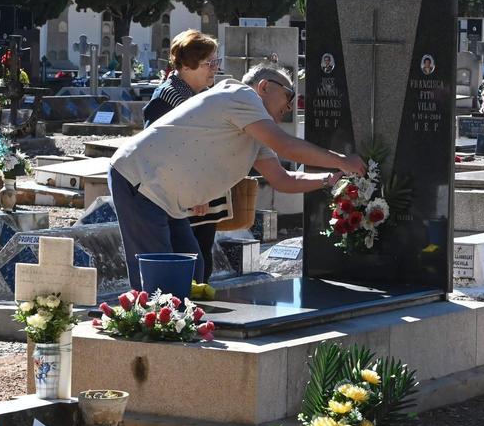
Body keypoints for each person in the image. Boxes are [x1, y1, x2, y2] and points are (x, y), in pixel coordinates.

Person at [109, 63, 365, 290]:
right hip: (140, 180)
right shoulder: (241, 96)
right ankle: (149, 337)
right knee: (161, 282)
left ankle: (175, 334)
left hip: (163, 196)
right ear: (264, 86)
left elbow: (281, 179)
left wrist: (328, 179)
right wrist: (343, 160)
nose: (288, 107)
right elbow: (285, 146)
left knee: (192, 273)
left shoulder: (255, 127)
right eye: (288, 96)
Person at [141, 29, 223, 284]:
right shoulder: (166, 99)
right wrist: (194, 191)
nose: (215, 69)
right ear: (188, 65)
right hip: (182, 200)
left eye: (216, 62)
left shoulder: (198, 95)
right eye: (209, 63)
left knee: (203, 259)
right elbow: (161, 154)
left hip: (201, 197)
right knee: (191, 263)